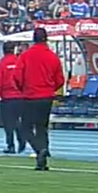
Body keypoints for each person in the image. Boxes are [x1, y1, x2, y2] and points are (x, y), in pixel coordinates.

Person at [14, 28, 65, 171]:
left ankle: (39, 149)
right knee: (42, 127)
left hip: (30, 96)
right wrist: (50, 88)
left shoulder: (25, 56)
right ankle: (42, 158)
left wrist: (23, 88)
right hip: (46, 96)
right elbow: (60, 79)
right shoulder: (53, 57)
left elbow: (17, 76)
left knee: (25, 128)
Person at [0, 42, 25, 154]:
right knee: (18, 120)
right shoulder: (19, 62)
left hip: (7, 97)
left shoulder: (2, 64)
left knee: (8, 123)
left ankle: (10, 145)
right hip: (20, 96)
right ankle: (22, 139)